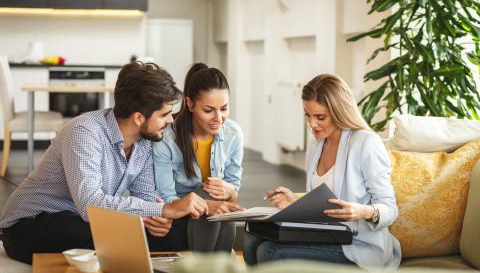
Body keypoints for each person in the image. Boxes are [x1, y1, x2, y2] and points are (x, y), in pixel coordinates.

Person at [0, 61, 209, 264]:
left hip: (83, 220)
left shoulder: (145, 142)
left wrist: (159, 219)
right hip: (29, 224)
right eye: (164, 115)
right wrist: (164, 210)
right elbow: (90, 204)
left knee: (180, 231)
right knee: (110, 236)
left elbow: (146, 198)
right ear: (138, 118)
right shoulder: (84, 131)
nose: (171, 120)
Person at [244, 74, 401, 269]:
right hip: (327, 236)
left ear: (339, 111)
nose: (312, 124)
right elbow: (324, 203)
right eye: (307, 115)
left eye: (320, 117)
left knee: (270, 252)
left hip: (358, 245)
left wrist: (363, 211)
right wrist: (296, 202)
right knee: (252, 240)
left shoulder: (366, 143)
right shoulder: (316, 145)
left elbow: (390, 209)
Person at [153, 63, 244, 252]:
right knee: (206, 192)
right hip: (180, 214)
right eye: (209, 110)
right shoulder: (167, 139)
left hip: (213, 217)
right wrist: (206, 204)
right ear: (190, 104)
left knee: (216, 197)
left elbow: (233, 189)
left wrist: (229, 191)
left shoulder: (234, 134)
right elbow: (166, 197)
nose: (218, 118)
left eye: (224, 109)